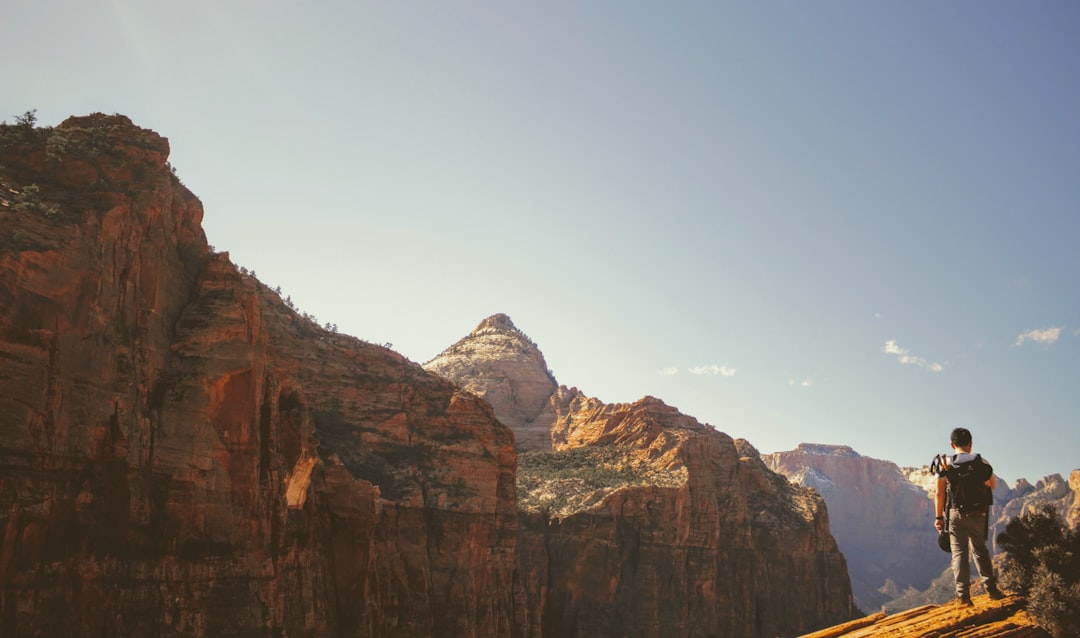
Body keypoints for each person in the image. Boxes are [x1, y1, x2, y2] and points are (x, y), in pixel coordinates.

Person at [934, 427, 1005, 606]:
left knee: (959, 553)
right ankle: (992, 590)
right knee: (980, 550)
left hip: (956, 513)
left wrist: (939, 518)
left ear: (952, 444)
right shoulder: (982, 462)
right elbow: (992, 485)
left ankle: (963, 597)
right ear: (970, 444)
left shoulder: (945, 463)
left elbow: (939, 493)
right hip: (979, 512)